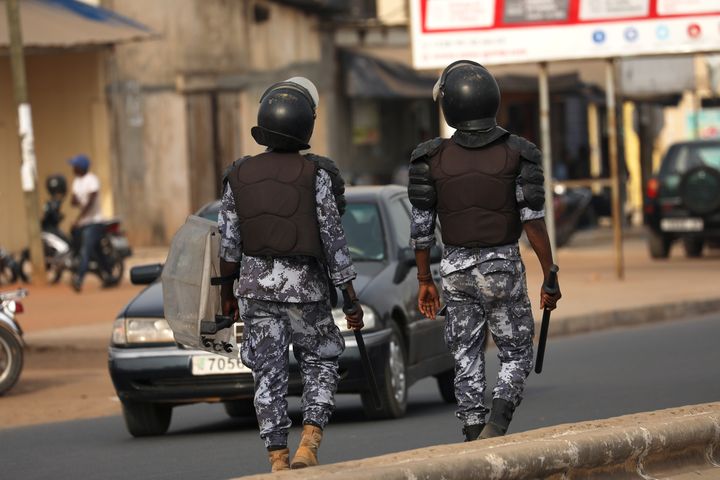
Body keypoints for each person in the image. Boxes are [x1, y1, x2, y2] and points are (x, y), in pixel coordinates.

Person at [407, 60, 562, 442]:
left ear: (450, 105)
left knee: (465, 354)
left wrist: (424, 279)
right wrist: (550, 273)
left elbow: (421, 230)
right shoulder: (519, 153)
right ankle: (497, 421)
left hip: (455, 271)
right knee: (517, 353)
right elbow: (532, 220)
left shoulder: (430, 159)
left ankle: (474, 431)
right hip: (501, 268)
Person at [218, 77, 364, 472]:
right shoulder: (315, 175)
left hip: (255, 292)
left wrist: (226, 295)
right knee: (320, 361)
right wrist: (350, 297)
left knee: (267, 372)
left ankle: (276, 457)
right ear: (307, 126)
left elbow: (228, 246)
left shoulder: (237, 176)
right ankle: (309, 439)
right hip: (307, 291)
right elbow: (334, 242)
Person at [68, 154, 105, 292]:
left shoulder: (92, 180)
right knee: (97, 252)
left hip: (94, 222)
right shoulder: (77, 182)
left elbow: (91, 201)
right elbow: (73, 201)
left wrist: (78, 218)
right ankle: (108, 274)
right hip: (83, 222)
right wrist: (74, 200)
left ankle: (79, 278)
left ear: (81, 167)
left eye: (75, 166)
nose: (73, 168)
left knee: (86, 250)